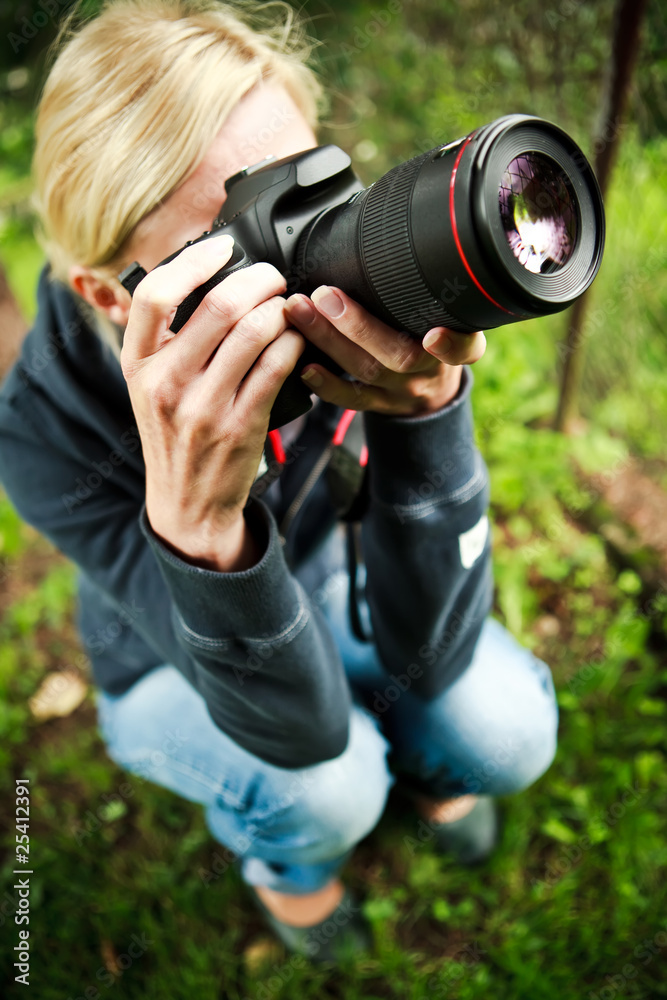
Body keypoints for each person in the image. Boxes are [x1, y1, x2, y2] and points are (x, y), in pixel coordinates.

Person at [0, 0, 559, 963]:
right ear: (110, 294)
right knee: (328, 783)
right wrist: (200, 530)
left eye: (308, 190)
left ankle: (424, 767)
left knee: (501, 730)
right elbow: (296, 731)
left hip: (328, 578)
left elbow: (441, 648)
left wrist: (425, 415)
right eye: (244, 246)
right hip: (169, 650)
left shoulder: (349, 310)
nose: (311, 260)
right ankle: (291, 873)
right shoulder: (39, 433)